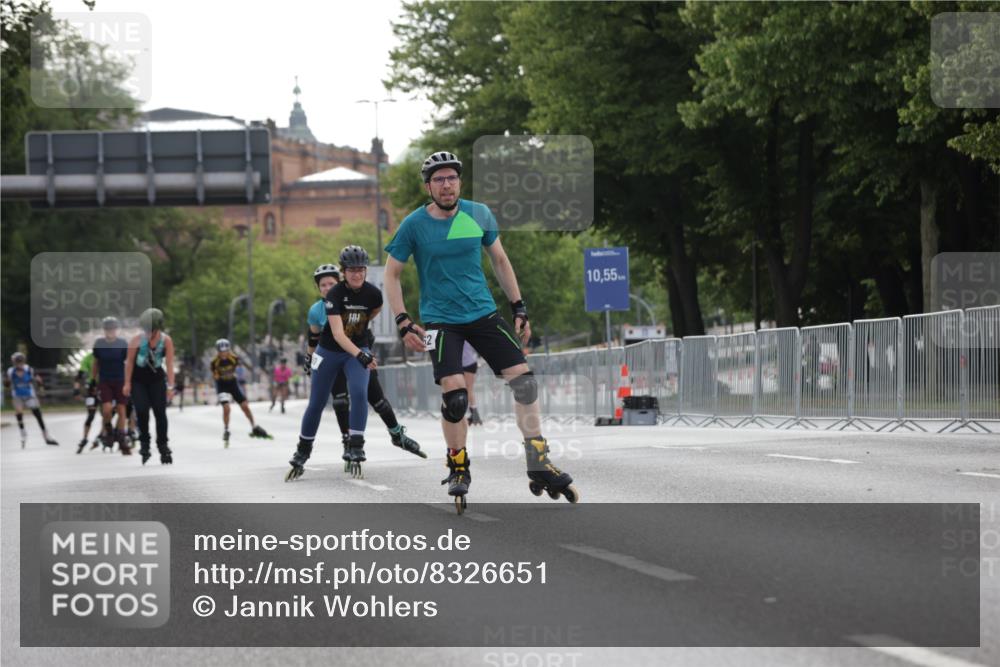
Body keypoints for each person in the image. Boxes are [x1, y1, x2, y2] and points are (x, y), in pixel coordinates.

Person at [384, 151, 578, 513]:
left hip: (483, 313)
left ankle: (539, 462)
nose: (446, 185)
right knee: (456, 397)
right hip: (440, 320)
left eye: (451, 178)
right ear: (428, 186)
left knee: (525, 382)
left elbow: (500, 260)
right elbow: (391, 274)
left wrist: (518, 306)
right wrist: (403, 320)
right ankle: (458, 465)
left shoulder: (478, 214)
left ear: (460, 182)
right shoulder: (414, 225)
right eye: (439, 179)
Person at [304, 264, 425, 461]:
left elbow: (369, 316)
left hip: (358, 353)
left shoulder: (356, 298)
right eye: (323, 285)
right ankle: (348, 441)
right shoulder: (316, 310)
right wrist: (310, 359)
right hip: (333, 356)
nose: (327, 288)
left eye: (331, 283)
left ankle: (396, 434)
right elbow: (313, 338)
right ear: (319, 289)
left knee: (376, 398)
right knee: (341, 400)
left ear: (340, 282)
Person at [287, 246, 381, 481]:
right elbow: (338, 335)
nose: (357, 274)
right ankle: (302, 451)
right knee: (316, 402)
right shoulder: (334, 295)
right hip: (330, 351)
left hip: (356, 350)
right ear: (344, 272)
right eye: (351, 270)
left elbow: (372, 314)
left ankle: (356, 444)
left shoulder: (374, 295)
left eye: (361, 270)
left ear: (366, 270)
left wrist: (362, 348)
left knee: (359, 393)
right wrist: (361, 355)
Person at [123, 308, 175, 465]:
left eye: (150, 328)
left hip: (157, 380)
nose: (147, 331)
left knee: (160, 413)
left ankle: (163, 445)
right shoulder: (136, 341)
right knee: (142, 411)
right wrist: (127, 383)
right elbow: (129, 363)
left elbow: (170, 363)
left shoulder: (166, 341)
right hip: (138, 381)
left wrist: (171, 387)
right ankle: (144, 443)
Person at [211, 339, 271, 445]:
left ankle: (254, 426)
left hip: (233, 384)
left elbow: (241, 367)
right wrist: (221, 375)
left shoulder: (234, 358)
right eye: (221, 352)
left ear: (229, 350)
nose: (224, 354)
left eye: (226, 351)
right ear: (218, 352)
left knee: (245, 406)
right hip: (222, 385)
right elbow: (215, 376)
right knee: (226, 408)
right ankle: (226, 429)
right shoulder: (214, 362)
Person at [92, 316, 131, 454]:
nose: (111, 331)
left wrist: (129, 380)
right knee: (107, 409)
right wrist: (93, 380)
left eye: (113, 328)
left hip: (120, 380)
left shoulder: (122, 343)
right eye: (108, 328)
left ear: (117, 329)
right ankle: (108, 431)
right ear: (104, 330)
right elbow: (96, 363)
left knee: (121, 409)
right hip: (105, 380)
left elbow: (128, 362)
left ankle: (121, 436)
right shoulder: (99, 343)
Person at [5, 352, 58, 447]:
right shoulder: (11, 371)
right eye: (17, 362)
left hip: (29, 395)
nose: (19, 363)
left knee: (38, 415)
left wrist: (41, 388)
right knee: (19, 414)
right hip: (17, 395)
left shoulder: (29, 369)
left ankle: (46, 436)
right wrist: (8, 381)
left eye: (20, 361)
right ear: (14, 362)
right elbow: (7, 384)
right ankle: (23, 433)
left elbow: (38, 379)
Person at [74, 351, 100, 452]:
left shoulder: (107, 354)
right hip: (92, 388)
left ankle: (101, 435)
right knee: (91, 415)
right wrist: (76, 390)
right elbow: (79, 375)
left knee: (109, 413)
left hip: (106, 387)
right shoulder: (88, 358)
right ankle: (84, 438)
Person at [462, 342, 483, 425]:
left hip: (468, 363)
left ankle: (475, 415)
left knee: (468, 389)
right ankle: (473, 415)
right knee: (466, 389)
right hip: (467, 363)